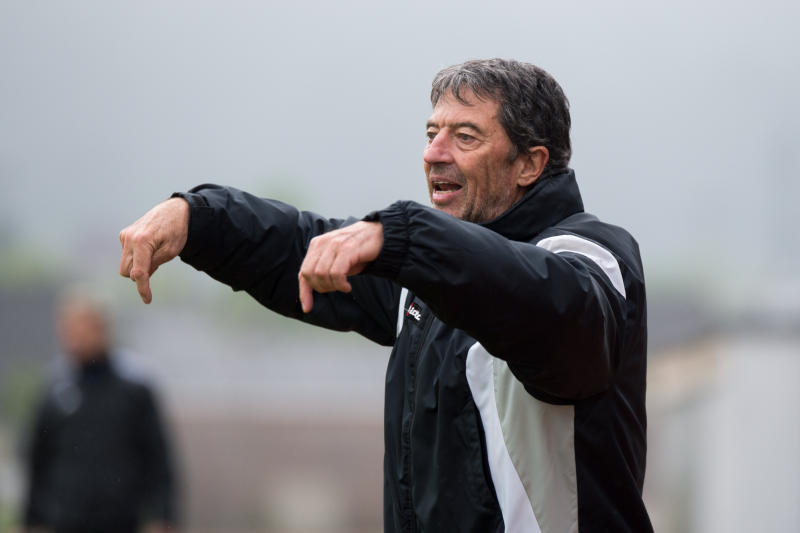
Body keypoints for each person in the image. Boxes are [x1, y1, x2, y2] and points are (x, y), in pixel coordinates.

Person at [119, 58, 652, 532]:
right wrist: (198, 217)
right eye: (431, 133)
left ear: (529, 164)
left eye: (465, 137)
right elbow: (300, 247)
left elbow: (546, 305)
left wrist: (405, 236)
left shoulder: (588, 256)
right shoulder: (422, 271)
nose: (434, 154)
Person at [22, 290, 177, 533]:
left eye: (83, 326)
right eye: (68, 327)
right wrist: (32, 520)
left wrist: (162, 516)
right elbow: (37, 460)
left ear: (103, 328)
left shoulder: (134, 389)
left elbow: (158, 460)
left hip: (122, 520)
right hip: (65, 522)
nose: (75, 335)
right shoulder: (53, 389)